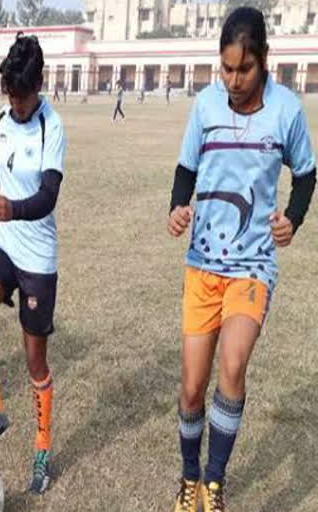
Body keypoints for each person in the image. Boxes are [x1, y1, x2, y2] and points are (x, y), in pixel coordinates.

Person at [168, 7, 316, 512]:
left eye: (243, 69)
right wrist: (176, 208)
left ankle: (213, 483)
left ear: (264, 62)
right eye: (225, 68)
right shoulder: (206, 105)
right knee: (191, 389)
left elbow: (307, 174)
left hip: (252, 266)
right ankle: (188, 480)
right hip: (202, 265)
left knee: (231, 366)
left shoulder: (287, 111)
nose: (232, 80)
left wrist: (292, 219)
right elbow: (187, 168)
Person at [0, 33, 66, 495]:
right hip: (6, 241)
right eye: (9, 94)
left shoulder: (53, 126)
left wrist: (12, 207)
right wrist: (4, 216)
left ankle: (42, 448)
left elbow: (47, 196)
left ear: (38, 86)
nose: (15, 103)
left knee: (34, 360)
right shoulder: (3, 118)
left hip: (38, 256)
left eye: (21, 96)